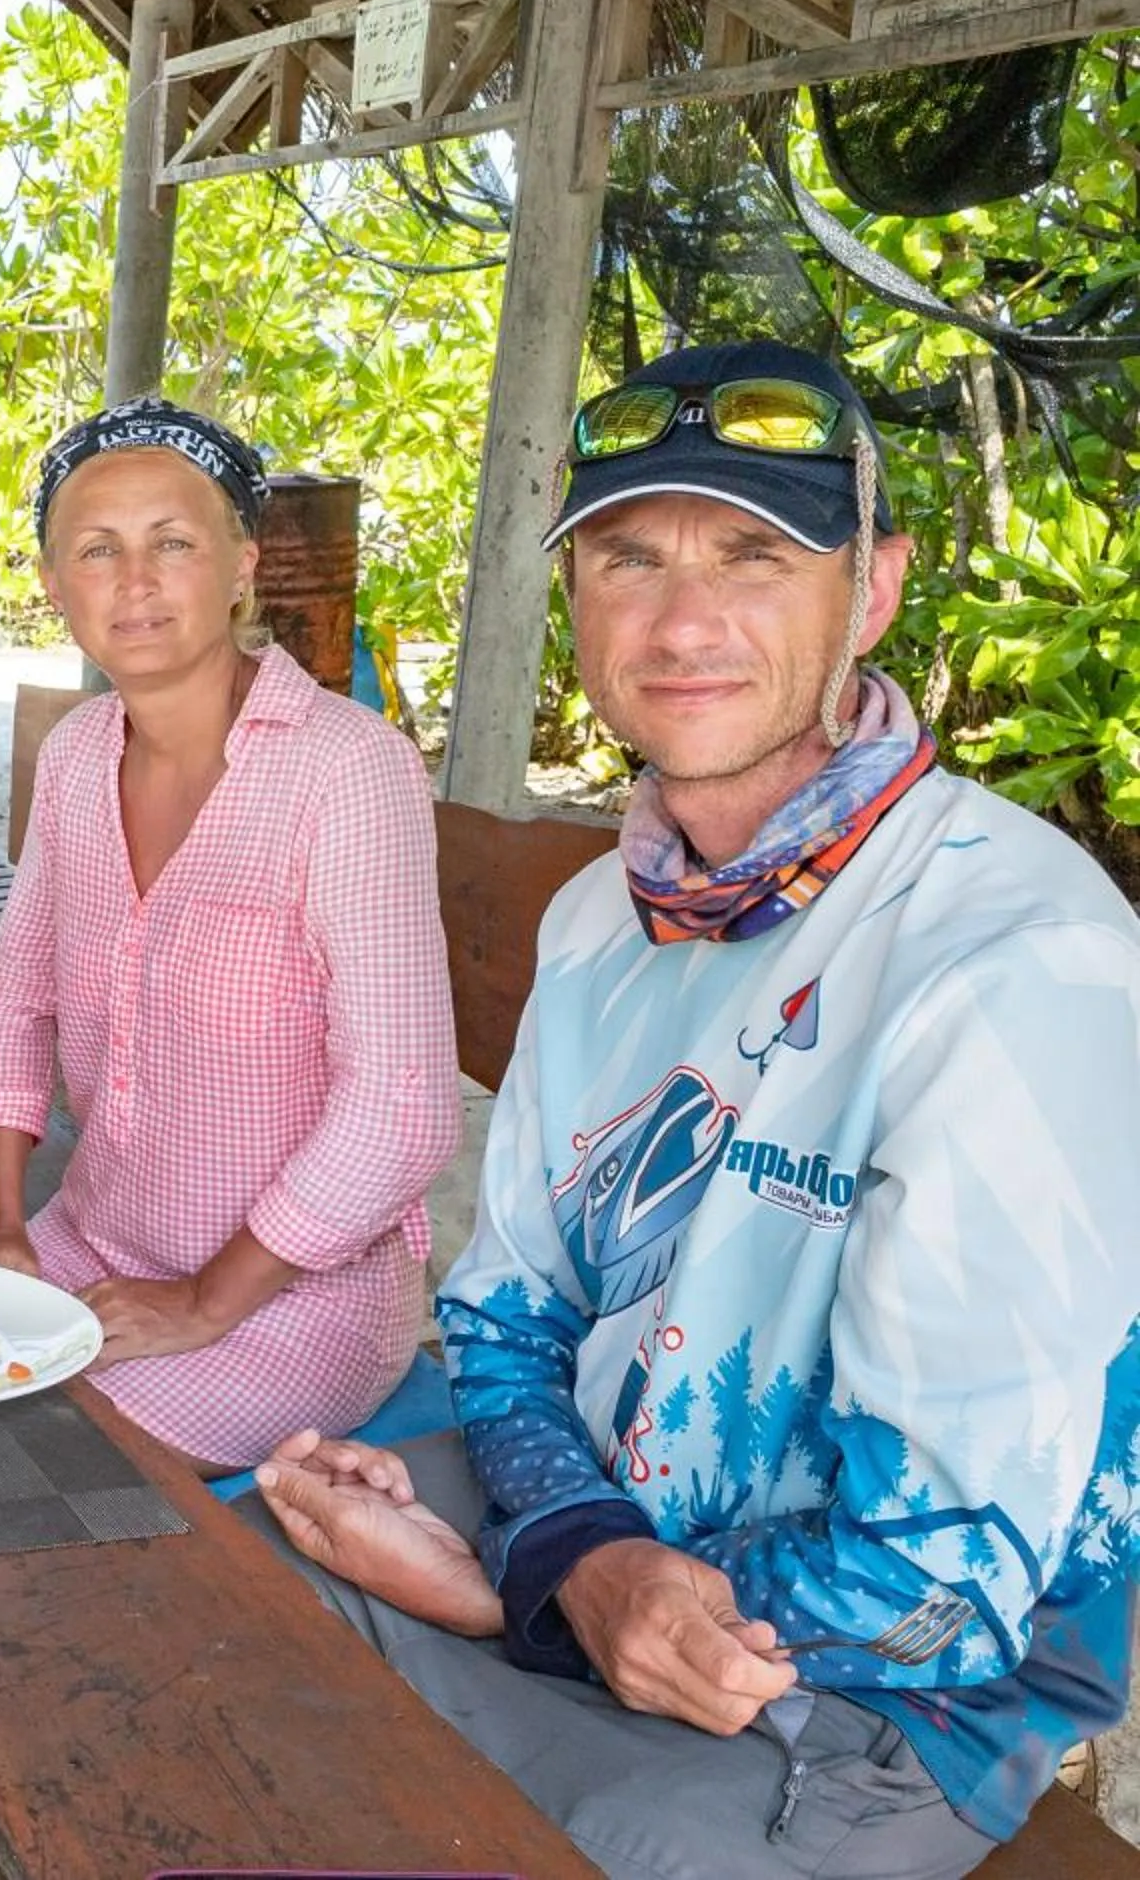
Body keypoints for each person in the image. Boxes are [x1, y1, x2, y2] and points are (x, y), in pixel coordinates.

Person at [251, 340, 1140, 1878]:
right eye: (627, 559)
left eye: (757, 555)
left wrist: (522, 1592)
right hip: (604, 1517)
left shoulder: (1014, 959)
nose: (681, 621)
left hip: (873, 1708)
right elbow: (511, 1313)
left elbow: (945, 1581)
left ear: (872, 592)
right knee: (219, 1589)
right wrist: (568, 1553)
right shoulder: (607, 913)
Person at [0, 398, 458, 1471]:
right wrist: (2, 1223)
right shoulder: (77, 755)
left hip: (289, 1307)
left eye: (172, 543)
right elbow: (15, 992)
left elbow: (403, 1112)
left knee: (36, 1457)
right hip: (90, 1247)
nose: (134, 582)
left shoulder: (347, 770)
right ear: (57, 589)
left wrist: (201, 1300)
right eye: (97, 550)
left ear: (241, 564)